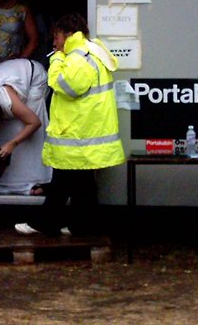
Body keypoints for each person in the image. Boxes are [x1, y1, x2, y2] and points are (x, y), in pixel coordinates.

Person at [15, 12, 125, 235]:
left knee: (63, 182)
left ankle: (45, 223)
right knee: (81, 183)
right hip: (85, 130)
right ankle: (82, 225)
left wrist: (55, 59)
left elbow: (67, 87)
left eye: (56, 37)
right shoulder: (91, 52)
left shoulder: (78, 57)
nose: (54, 43)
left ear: (68, 35)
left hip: (77, 133)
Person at [0, 58, 52, 195]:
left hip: (34, 77)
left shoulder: (8, 101)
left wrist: (13, 143)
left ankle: (34, 180)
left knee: (20, 129)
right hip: (8, 77)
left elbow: (35, 122)